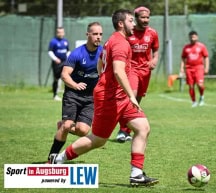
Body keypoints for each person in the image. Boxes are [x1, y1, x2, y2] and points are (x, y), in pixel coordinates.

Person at [49, 9, 159, 187]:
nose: (134, 24)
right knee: (98, 140)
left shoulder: (112, 41)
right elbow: (117, 71)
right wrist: (131, 94)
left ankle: (136, 174)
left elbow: (101, 61)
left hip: (120, 96)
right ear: (121, 23)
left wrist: (102, 77)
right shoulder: (120, 43)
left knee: (143, 127)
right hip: (111, 99)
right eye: (131, 20)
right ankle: (59, 159)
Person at [46, 22, 103, 163]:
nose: (98, 37)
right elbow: (65, 75)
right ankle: (51, 158)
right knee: (67, 125)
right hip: (73, 95)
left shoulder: (104, 53)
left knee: (83, 131)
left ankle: (62, 125)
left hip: (91, 97)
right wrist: (75, 85)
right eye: (95, 34)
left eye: (100, 34)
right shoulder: (77, 53)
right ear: (87, 35)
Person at [116, 6, 159, 143]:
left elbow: (156, 50)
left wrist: (154, 60)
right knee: (131, 96)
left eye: (147, 17)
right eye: (142, 17)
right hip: (132, 69)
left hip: (145, 71)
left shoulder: (152, 33)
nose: (146, 20)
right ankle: (122, 130)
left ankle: (125, 131)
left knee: (137, 100)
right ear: (136, 18)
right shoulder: (129, 32)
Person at [180, 30, 209, 107]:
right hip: (189, 68)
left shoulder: (201, 46)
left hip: (199, 67)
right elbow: (183, 58)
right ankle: (194, 101)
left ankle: (202, 97)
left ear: (197, 37)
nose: (193, 38)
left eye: (194, 36)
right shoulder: (186, 48)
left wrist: (206, 67)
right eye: (191, 36)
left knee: (200, 84)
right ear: (189, 37)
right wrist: (182, 68)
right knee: (191, 86)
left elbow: (206, 57)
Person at [48, 27, 71, 101]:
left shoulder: (65, 41)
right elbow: (50, 52)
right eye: (59, 32)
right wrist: (55, 59)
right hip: (57, 63)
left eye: (62, 32)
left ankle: (68, 94)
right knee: (56, 79)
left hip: (65, 62)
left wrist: (68, 58)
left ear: (64, 33)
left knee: (67, 77)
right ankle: (55, 95)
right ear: (56, 33)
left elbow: (68, 51)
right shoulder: (53, 41)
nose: (60, 33)